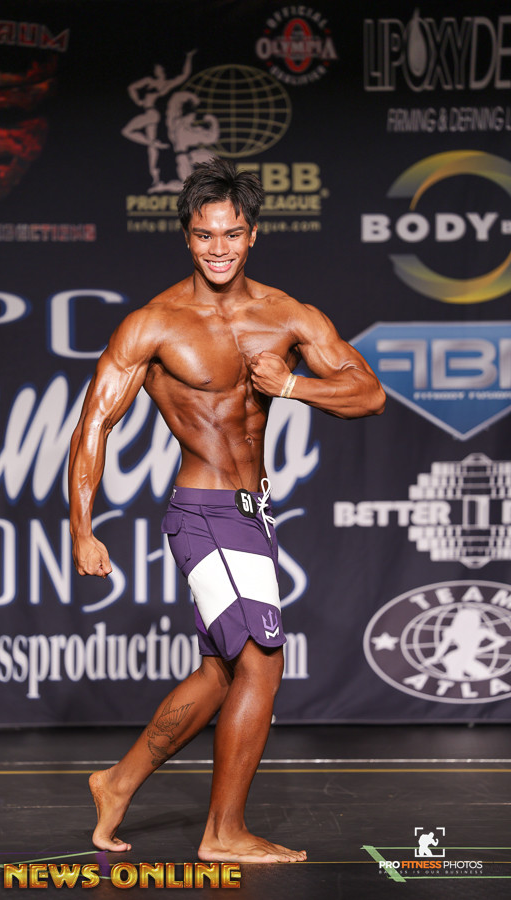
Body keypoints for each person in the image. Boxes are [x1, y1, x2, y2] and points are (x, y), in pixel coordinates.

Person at [68, 157, 386, 864]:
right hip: (204, 510)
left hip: (255, 512)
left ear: (253, 235)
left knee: (221, 671)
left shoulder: (289, 315)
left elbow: (369, 395)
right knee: (263, 663)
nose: (219, 248)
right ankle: (224, 833)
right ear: (187, 236)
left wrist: (294, 387)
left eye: (232, 234)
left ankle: (117, 782)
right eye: (205, 235)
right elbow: (94, 426)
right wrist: (82, 529)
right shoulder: (153, 325)